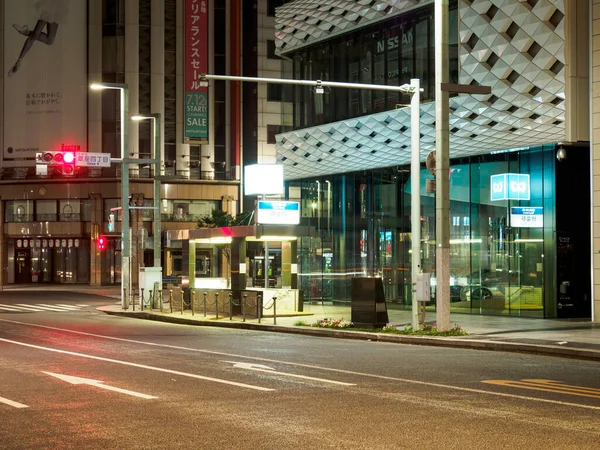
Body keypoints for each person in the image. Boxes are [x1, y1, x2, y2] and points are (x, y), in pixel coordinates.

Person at [8, 0, 69, 77]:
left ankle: (25, 32)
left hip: (57, 6)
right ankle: (19, 61)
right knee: (35, 35)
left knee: (50, 40)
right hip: (51, 4)